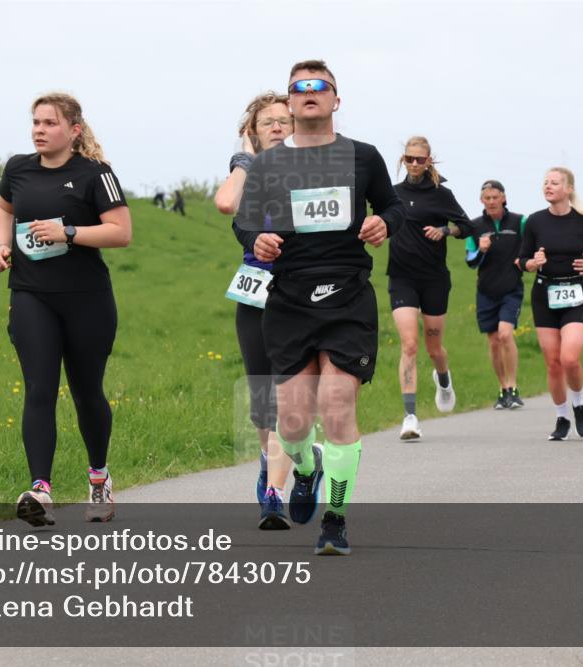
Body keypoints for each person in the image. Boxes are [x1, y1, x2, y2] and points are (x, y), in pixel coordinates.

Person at [237, 60, 405, 554]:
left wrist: (385, 224)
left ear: (336, 99)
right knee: (289, 422)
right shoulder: (269, 164)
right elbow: (243, 223)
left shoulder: (363, 156)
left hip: (347, 293)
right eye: (299, 88)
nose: (309, 93)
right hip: (288, 296)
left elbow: (391, 206)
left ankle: (335, 519)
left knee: (336, 405)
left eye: (320, 87)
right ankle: (305, 468)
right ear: (289, 103)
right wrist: (258, 237)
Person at [0, 93, 132, 526]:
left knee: (87, 392)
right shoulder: (17, 168)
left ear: (73, 130)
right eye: (35, 122)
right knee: (39, 389)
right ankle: (40, 490)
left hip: (86, 299)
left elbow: (121, 232)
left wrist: (67, 231)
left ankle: (98, 477)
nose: (39, 129)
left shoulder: (95, 174)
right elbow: (3, 208)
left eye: (49, 123)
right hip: (32, 295)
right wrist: (1, 244)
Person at [214, 91, 295, 529]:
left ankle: (274, 493)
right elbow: (230, 210)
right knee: (262, 400)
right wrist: (242, 161)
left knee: (291, 397)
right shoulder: (246, 172)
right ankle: (270, 466)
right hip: (255, 289)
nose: (277, 127)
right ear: (253, 133)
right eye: (267, 122)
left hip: (301, 290)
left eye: (285, 120)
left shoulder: (309, 168)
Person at [387, 137, 471, 439]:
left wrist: (445, 230)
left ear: (429, 161)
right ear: (402, 159)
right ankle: (410, 416)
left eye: (419, 159)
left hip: (434, 278)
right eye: (409, 158)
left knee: (434, 346)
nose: (413, 164)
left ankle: (444, 379)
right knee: (409, 344)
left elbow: (467, 227)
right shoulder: (393, 194)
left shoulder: (441, 194)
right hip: (401, 278)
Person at [518, 167, 583, 441]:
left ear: (568, 189)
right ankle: (562, 417)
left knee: (569, 358)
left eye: (554, 183)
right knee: (553, 363)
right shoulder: (534, 222)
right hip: (544, 293)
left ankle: (579, 403)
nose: (548, 186)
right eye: (545, 182)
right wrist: (532, 263)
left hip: (576, 292)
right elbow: (521, 260)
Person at [465, 180, 527, 409]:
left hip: (511, 289)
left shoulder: (519, 222)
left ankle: (513, 386)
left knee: (504, 334)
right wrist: (480, 251)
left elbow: (531, 245)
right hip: (486, 291)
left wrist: (527, 259)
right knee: (493, 342)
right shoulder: (475, 226)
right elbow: (470, 261)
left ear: (503, 198)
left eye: (495, 197)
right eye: (486, 198)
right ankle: (502, 389)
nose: (491, 201)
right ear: (481, 200)